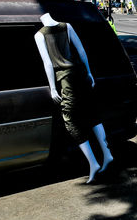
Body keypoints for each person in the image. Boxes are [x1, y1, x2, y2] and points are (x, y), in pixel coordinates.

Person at [34, 13, 114, 184]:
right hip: (81, 74)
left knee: (70, 120)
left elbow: (48, 64)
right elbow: (82, 51)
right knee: (91, 113)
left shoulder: (39, 35)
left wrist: (53, 88)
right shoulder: (67, 25)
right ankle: (107, 154)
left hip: (66, 79)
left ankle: (93, 162)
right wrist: (89, 72)